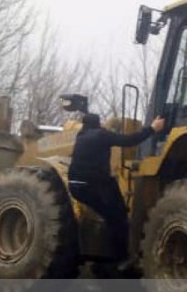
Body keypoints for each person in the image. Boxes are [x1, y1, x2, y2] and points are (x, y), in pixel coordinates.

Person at [67, 113, 165, 271]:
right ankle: (122, 260)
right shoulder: (102, 135)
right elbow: (129, 141)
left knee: (108, 215)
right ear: (98, 124)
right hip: (94, 185)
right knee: (119, 218)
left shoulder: (80, 135)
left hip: (75, 187)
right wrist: (152, 128)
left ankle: (102, 256)